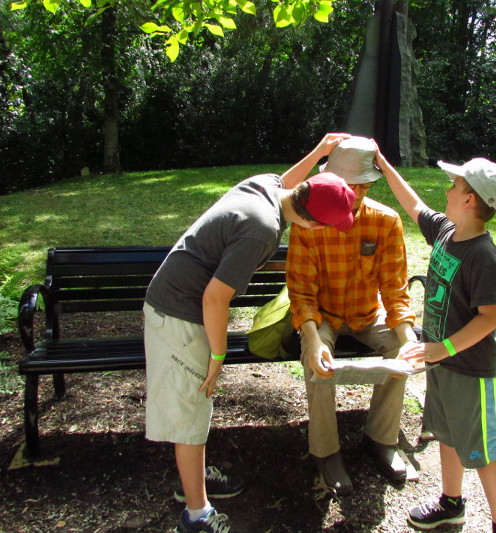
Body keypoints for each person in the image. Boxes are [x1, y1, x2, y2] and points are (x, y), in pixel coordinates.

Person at [143, 133, 356, 533]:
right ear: (309, 221)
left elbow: (288, 178)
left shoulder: (268, 186)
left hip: (180, 303)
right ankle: (195, 515)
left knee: (196, 409)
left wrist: (319, 152)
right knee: (191, 409)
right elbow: (214, 299)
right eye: (325, 225)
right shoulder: (261, 229)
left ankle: (195, 478)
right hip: (180, 313)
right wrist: (218, 358)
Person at [375, 151, 496, 533]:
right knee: (446, 434)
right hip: (442, 362)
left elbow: (490, 317)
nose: (447, 189)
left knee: (482, 452)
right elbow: (413, 205)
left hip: (469, 371)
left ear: (470, 200)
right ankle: (451, 502)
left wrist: (443, 348)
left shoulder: (484, 256)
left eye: (455, 186)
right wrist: (382, 163)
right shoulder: (446, 232)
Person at [286, 136, 418, 496]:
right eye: (348, 184)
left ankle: (381, 439)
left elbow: (394, 288)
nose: (356, 192)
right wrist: (313, 340)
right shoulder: (309, 223)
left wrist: (409, 341)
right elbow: (301, 292)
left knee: (398, 351)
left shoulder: (386, 221)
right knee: (317, 361)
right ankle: (326, 453)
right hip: (323, 316)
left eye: (363, 184)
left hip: (365, 313)